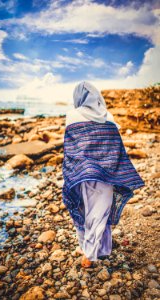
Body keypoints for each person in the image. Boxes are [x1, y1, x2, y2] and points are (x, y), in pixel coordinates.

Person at [62, 81, 145, 268]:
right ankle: (95, 250)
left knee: (83, 209)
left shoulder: (72, 115)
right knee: (101, 212)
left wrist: (73, 169)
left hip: (81, 172)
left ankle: (91, 251)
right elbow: (115, 148)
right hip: (107, 174)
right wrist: (115, 169)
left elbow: (71, 148)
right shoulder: (109, 116)